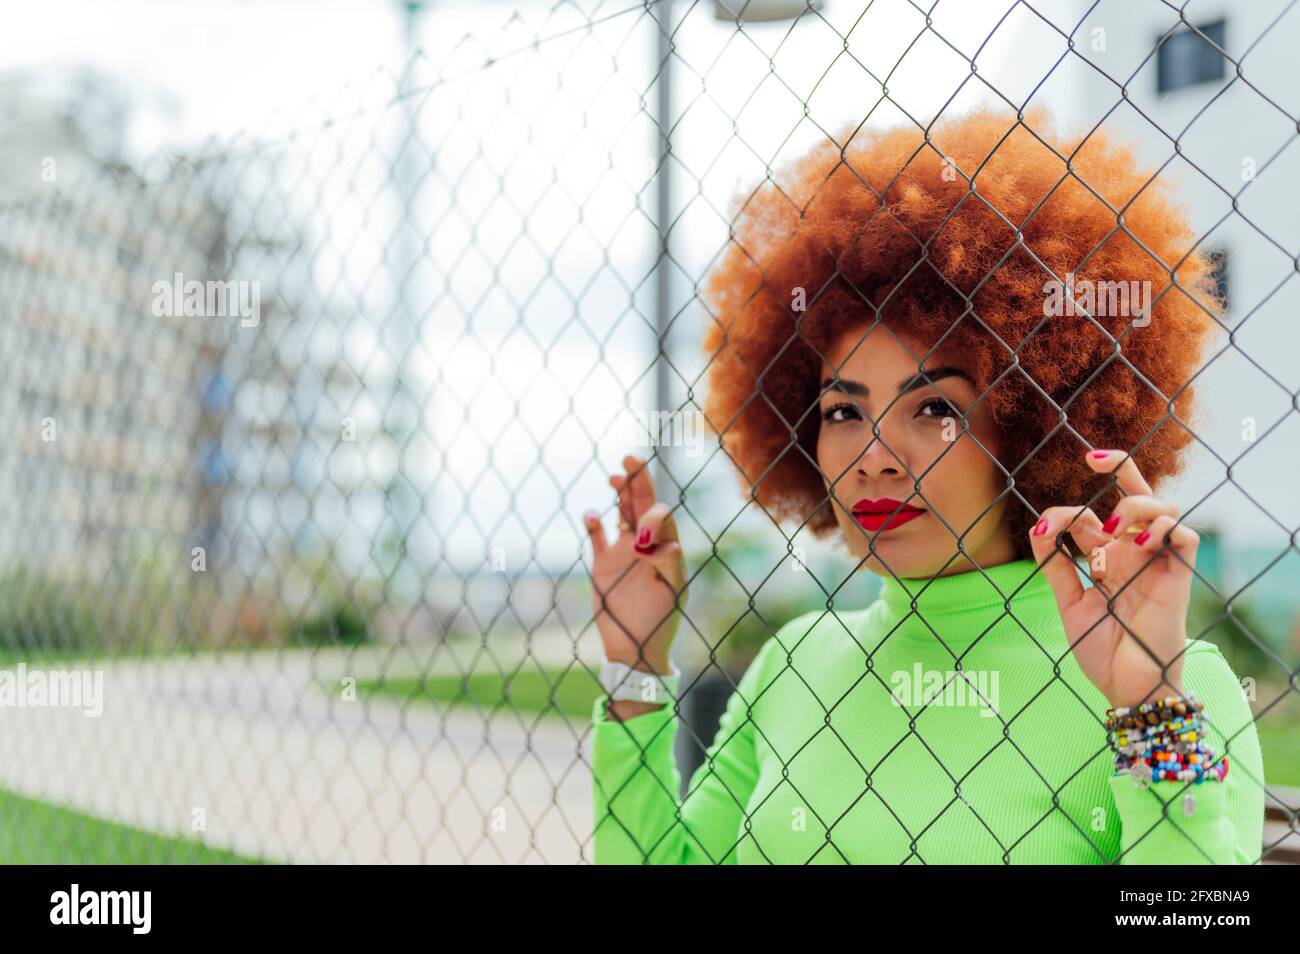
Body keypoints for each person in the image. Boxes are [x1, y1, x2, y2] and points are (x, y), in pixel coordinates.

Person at [581, 108, 1263, 863]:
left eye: (934, 407)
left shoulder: (1170, 678)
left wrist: (1148, 710)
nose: (872, 455)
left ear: (1038, 422)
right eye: (844, 409)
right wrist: (636, 668)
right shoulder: (796, 662)